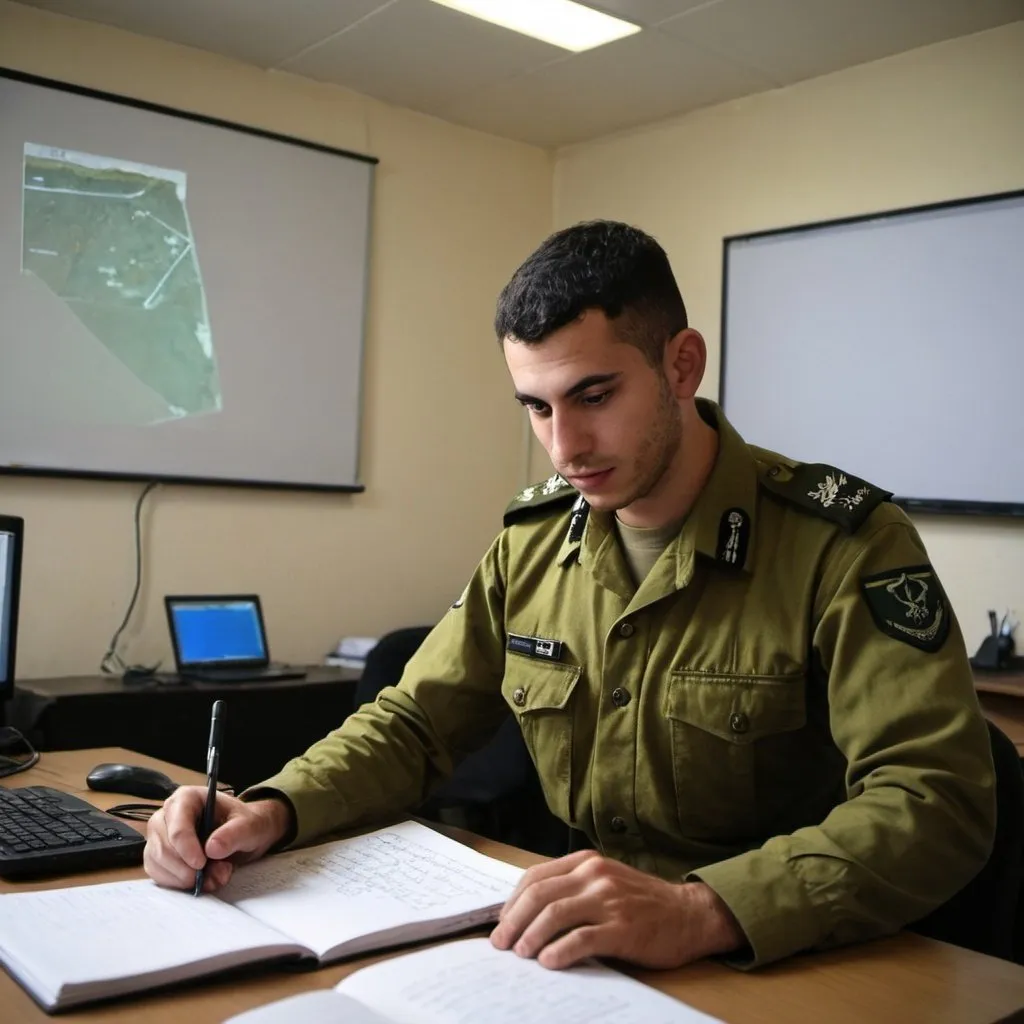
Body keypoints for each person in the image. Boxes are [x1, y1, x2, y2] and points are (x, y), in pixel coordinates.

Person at [145, 220, 996, 971]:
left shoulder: (842, 543)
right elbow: (413, 724)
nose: (566, 446)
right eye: (537, 407)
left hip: (786, 956)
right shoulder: (535, 541)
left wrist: (703, 909)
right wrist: (271, 809)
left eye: (594, 396)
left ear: (681, 365)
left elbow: (934, 800)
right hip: (581, 955)